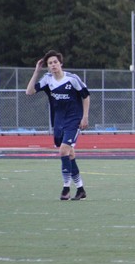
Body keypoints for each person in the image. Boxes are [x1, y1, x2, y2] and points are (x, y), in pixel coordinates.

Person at [25, 50, 90, 201]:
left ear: (61, 63)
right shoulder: (47, 79)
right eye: (50, 63)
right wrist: (37, 71)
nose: (53, 65)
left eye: (55, 62)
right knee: (70, 154)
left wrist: (85, 117)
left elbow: (86, 96)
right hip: (58, 122)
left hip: (73, 120)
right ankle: (80, 189)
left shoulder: (72, 79)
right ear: (47, 66)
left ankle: (66, 188)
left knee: (63, 151)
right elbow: (29, 91)